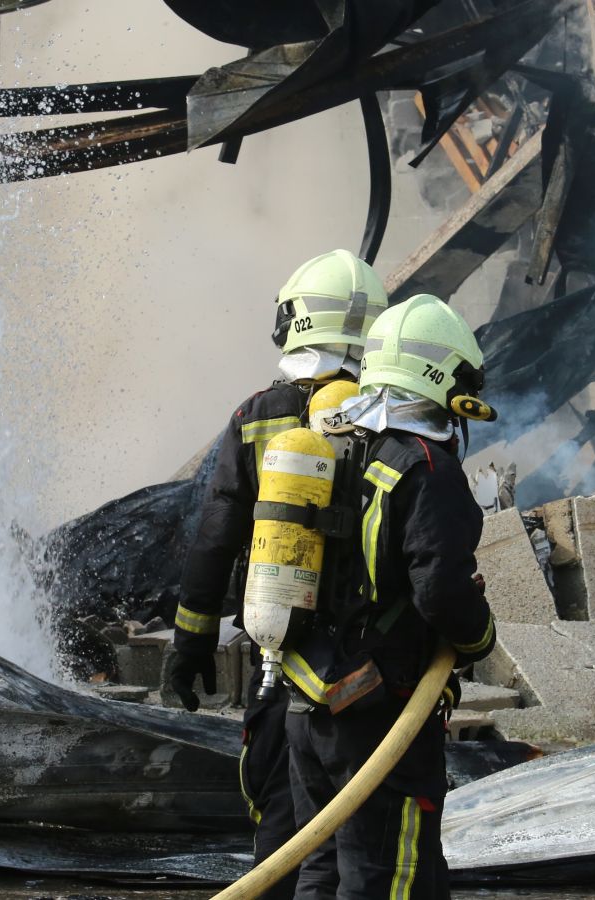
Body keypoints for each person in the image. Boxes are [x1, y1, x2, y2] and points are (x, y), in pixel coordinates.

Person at [169, 249, 389, 898]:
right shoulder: (390, 417)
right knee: (367, 840)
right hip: (371, 669)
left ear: (294, 323)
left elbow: (213, 539)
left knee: (281, 827)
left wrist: (190, 642)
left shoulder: (258, 415)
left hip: (281, 656)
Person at [282, 293, 498, 900]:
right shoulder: (427, 467)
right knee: (388, 880)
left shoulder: (340, 445)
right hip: (379, 715)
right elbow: (442, 592)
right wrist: (479, 638)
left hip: (310, 700)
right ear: (446, 384)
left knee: (322, 872)